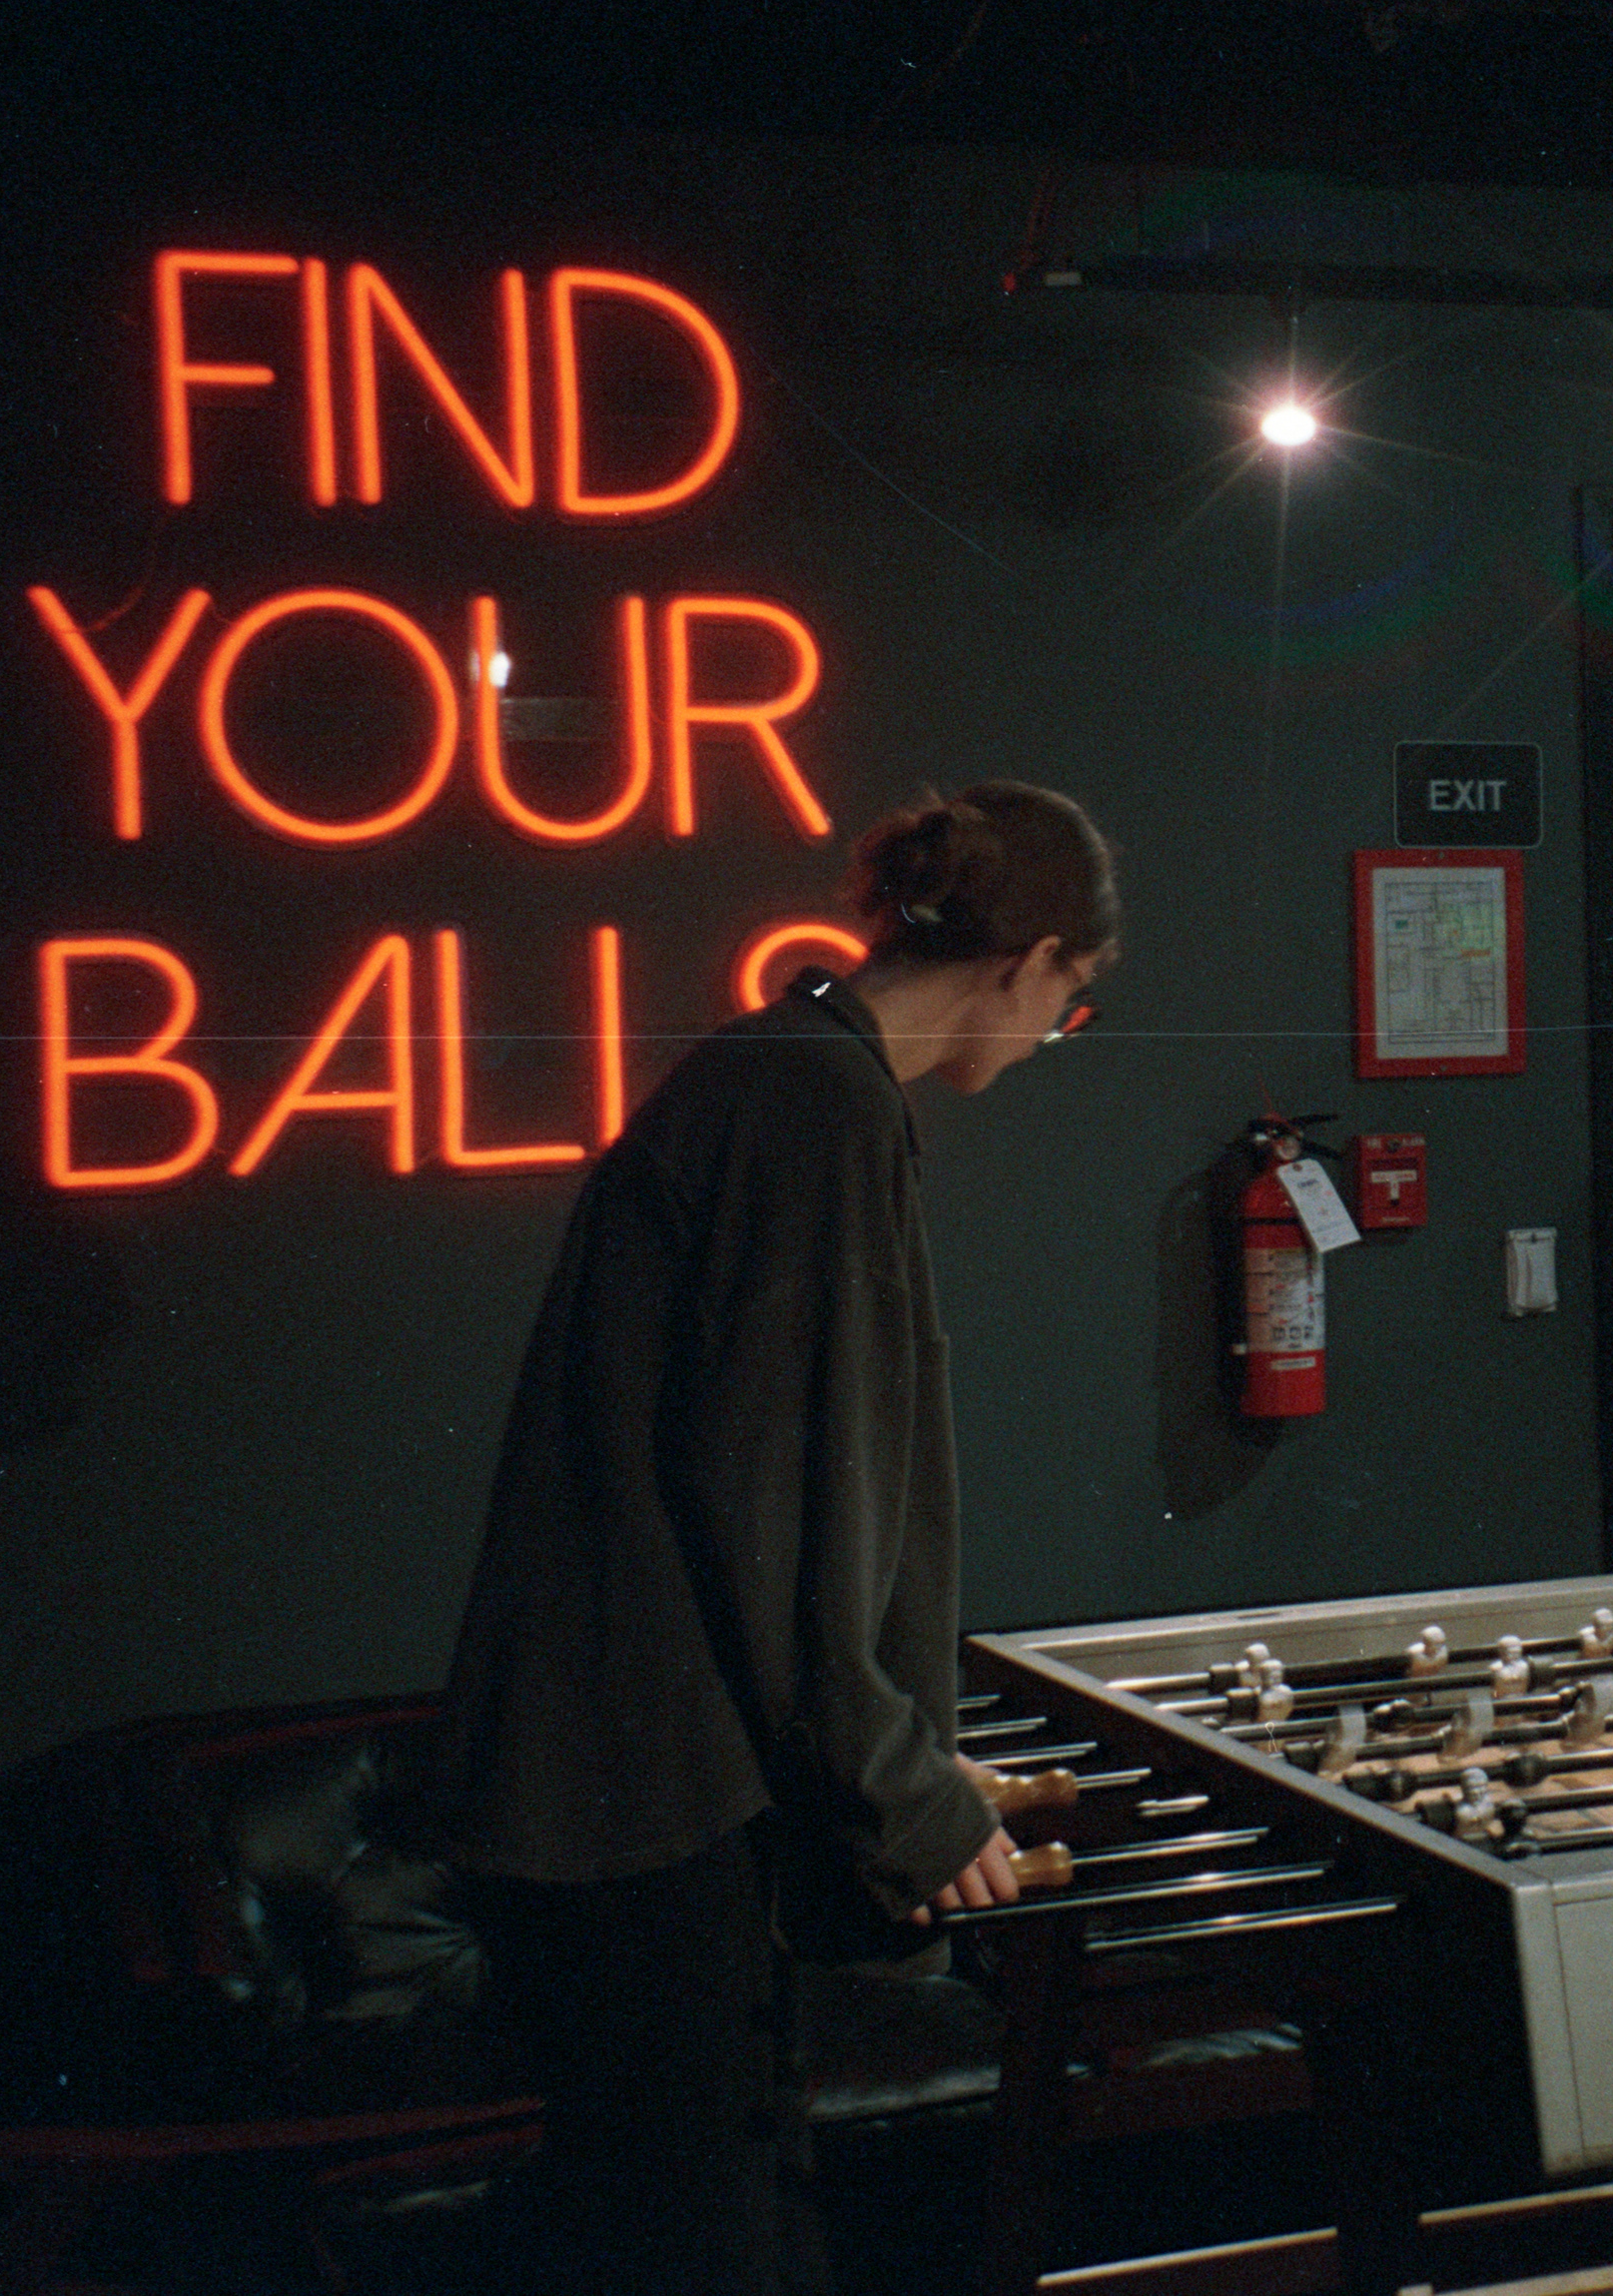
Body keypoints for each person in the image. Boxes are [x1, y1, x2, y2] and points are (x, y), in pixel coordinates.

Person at [436, 783, 1118, 2296]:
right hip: (638, 1800)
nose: (1045, 1042)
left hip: (622, 1780)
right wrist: (904, 1792)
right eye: (1069, 1010)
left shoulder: (776, 1073)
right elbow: (783, 1505)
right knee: (717, 2249)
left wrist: (902, 1768)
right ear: (1031, 960)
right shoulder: (819, 1104)